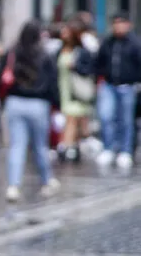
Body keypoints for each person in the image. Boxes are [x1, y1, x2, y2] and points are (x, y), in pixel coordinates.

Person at [0, 21, 60, 203]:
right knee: (40, 146)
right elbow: (53, 82)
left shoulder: (12, 53)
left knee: (17, 146)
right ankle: (46, 181)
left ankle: (13, 185)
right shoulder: (45, 55)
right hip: (38, 104)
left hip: (15, 102)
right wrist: (57, 105)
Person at [94, 12, 141, 169]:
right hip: (109, 85)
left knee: (126, 120)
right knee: (106, 116)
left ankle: (125, 151)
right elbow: (99, 62)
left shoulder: (135, 43)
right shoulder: (108, 42)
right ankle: (108, 148)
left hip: (128, 86)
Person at [55, 19, 94, 163]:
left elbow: (89, 70)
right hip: (62, 89)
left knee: (71, 119)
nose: (63, 34)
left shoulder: (81, 51)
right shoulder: (59, 50)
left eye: (66, 31)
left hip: (76, 91)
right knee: (70, 120)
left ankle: (67, 146)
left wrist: (75, 66)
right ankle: (72, 146)